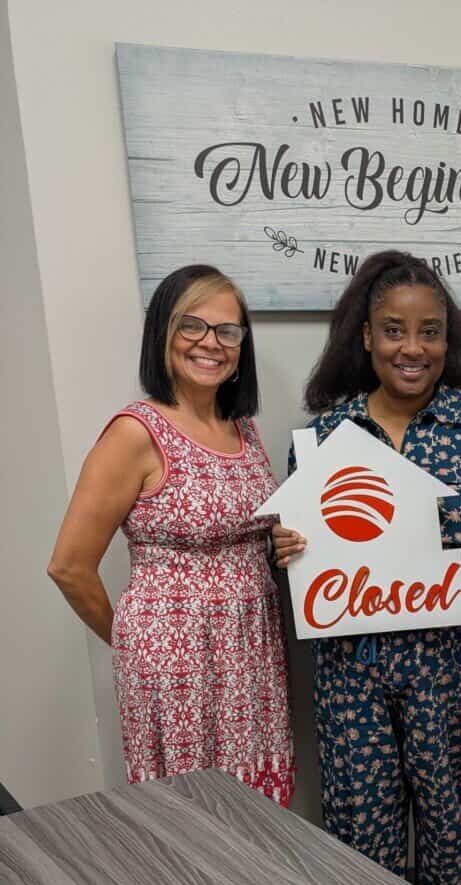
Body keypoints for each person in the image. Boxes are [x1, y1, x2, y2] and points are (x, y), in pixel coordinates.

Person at [274, 250, 461, 885]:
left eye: (429, 332)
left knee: (446, 826)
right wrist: (282, 547)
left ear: (447, 342)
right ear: (366, 337)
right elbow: (302, 550)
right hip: (353, 669)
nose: (412, 348)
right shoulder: (324, 437)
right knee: (359, 830)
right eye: (394, 330)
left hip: (455, 667)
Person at [48, 264, 296, 804]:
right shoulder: (135, 433)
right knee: (191, 814)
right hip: (178, 663)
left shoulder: (244, 429)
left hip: (252, 651)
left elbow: (244, 533)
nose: (211, 343)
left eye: (227, 330)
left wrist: (278, 545)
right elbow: (68, 566)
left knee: (256, 811)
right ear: (162, 332)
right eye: (192, 325)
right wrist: (138, 641)